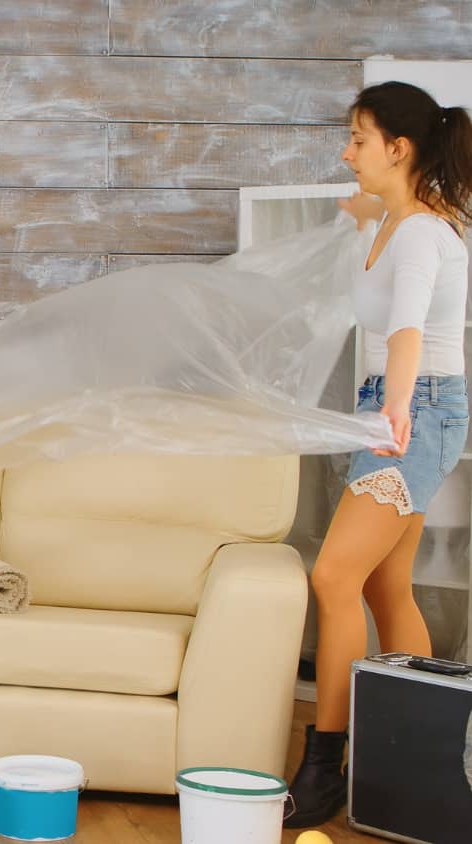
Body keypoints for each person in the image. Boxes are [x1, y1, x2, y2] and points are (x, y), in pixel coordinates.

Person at [287, 81, 472, 827]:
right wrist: (362, 211)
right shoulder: (392, 221)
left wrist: (393, 411)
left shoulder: (425, 233)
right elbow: (365, 221)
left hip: (416, 407)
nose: (346, 151)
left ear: (399, 148)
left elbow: (406, 330)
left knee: (334, 577)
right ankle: (420, 758)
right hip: (401, 406)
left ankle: (325, 764)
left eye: (359, 139)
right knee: (386, 588)